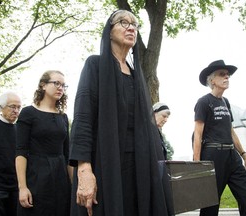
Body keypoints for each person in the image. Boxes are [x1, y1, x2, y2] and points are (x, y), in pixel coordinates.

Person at [69, 9, 174, 216]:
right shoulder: (95, 66)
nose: (131, 27)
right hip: (106, 165)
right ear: (109, 31)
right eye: (123, 22)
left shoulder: (137, 76)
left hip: (140, 168)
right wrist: (84, 170)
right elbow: (83, 120)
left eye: (134, 24)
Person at [193, 59, 246, 216]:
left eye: (228, 75)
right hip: (213, 156)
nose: (227, 77)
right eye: (222, 74)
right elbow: (198, 134)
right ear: (212, 80)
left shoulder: (226, 102)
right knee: (210, 204)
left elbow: (231, 131)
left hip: (232, 156)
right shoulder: (203, 102)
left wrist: (245, 157)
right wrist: (197, 165)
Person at [15, 70, 72, 216]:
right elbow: (21, 152)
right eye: (56, 83)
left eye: (64, 85)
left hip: (60, 178)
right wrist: (22, 188)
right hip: (36, 176)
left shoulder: (63, 117)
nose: (60, 88)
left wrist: (74, 184)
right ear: (43, 85)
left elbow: (68, 155)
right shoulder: (28, 113)